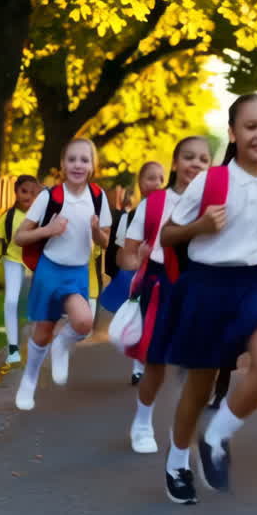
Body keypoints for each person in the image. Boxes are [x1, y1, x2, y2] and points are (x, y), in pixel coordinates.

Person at [156, 95, 257, 504]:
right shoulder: (212, 181)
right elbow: (167, 235)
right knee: (199, 388)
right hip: (207, 285)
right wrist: (201, 225)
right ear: (233, 134)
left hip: (252, 283)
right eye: (251, 127)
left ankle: (217, 436)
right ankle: (176, 463)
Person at [118, 137, 211, 453]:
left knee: (202, 364)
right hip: (160, 284)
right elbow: (125, 257)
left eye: (203, 159)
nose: (195, 164)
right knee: (155, 362)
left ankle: (186, 432)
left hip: (200, 286)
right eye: (188, 157)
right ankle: (142, 424)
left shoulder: (215, 206)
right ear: (175, 163)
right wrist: (139, 257)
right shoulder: (154, 203)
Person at [13, 138, 111, 411]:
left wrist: (95, 231)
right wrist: (49, 230)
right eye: (72, 159)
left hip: (77, 272)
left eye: (84, 160)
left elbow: (105, 242)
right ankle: (29, 381)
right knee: (42, 332)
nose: (78, 165)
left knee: (83, 323)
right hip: (49, 270)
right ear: (62, 164)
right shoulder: (49, 196)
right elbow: (20, 236)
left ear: (92, 166)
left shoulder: (97, 197)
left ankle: (62, 346)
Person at [101, 161, 165, 384]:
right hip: (140, 278)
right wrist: (139, 256)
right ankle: (139, 366)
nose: (156, 183)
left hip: (164, 277)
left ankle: (150, 360)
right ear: (140, 182)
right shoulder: (129, 218)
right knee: (142, 321)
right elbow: (120, 255)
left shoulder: (172, 213)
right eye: (151, 178)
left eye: (160, 179)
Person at [0, 175, 40, 365]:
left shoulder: (41, 216)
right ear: (16, 192)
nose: (28, 196)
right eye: (24, 191)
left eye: (33, 192)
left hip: (36, 264)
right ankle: (13, 347)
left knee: (35, 305)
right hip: (12, 261)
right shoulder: (8, 216)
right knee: (12, 301)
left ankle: (36, 342)